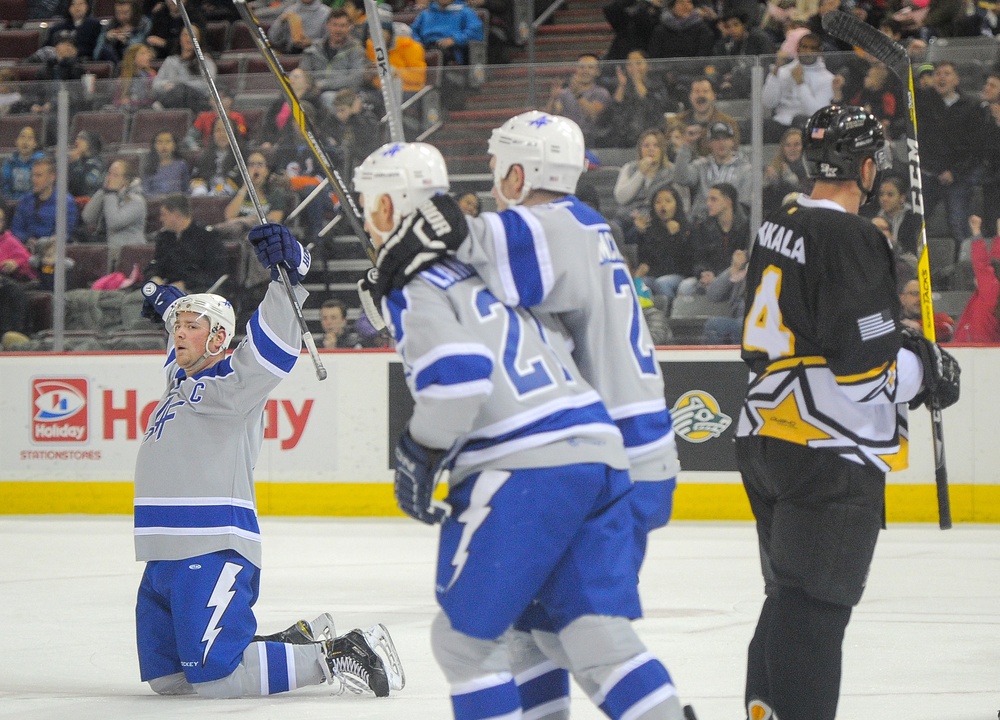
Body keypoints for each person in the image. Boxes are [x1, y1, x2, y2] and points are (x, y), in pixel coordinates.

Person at [354, 139, 691, 720]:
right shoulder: (505, 268)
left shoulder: (425, 276)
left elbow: (458, 381)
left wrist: (418, 450)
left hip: (526, 465)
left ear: (385, 210)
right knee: (578, 635)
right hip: (603, 451)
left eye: (368, 204)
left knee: (461, 643)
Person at [736, 104, 960, 720]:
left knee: (787, 598)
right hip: (826, 451)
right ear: (866, 166)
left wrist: (900, 348)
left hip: (764, 435)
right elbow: (865, 378)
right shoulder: (854, 236)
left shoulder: (777, 221)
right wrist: (926, 372)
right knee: (814, 610)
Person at [134, 223, 403, 700]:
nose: (178, 333)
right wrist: (174, 306)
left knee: (217, 679)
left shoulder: (234, 386)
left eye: (191, 327)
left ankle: (345, 651)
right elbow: (182, 346)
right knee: (168, 680)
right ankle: (292, 642)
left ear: (219, 339)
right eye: (176, 327)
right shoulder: (179, 380)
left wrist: (288, 277)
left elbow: (272, 348)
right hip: (162, 554)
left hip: (210, 547)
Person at [915, 61, 984, 255]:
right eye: (937, 74)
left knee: (957, 223)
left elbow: (975, 147)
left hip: (959, 177)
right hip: (929, 174)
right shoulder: (924, 102)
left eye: (947, 73)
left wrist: (954, 171)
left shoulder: (971, 107)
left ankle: (965, 268)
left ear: (956, 79)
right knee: (916, 222)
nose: (941, 78)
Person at [144, 193, 226, 294]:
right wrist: (154, 277)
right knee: (129, 298)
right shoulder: (165, 237)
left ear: (177, 215)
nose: (161, 219)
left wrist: (186, 284)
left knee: (137, 301)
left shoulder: (207, 236)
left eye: (164, 214)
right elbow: (156, 263)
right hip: (166, 288)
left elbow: (215, 272)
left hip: (196, 291)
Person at [761, 32, 835, 143]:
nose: (807, 52)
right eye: (804, 47)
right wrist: (775, 73)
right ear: (798, 49)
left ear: (819, 51)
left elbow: (816, 113)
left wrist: (800, 84)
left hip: (808, 127)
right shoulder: (784, 71)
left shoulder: (827, 78)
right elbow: (768, 102)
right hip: (781, 124)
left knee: (805, 125)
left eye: (812, 48)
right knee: (754, 126)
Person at [672, 120, 752, 221]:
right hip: (701, 223)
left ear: (732, 142)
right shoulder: (701, 165)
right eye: (716, 139)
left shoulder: (745, 169)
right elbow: (680, 178)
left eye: (725, 138)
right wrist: (687, 145)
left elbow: (744, 205)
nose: (721, 143)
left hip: (731, 224)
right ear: (709, 143)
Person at [682, 181, 750, 295]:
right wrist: (703, 273)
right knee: (686, 287)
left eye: (713, 199)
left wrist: (718, 276)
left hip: (736, 277)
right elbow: (697, 258)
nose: (708, 203)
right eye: (708, 199)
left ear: (728, 202)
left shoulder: (746, 227)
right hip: (709, 277)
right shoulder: (702, 226)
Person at [299, 9, 369, 114]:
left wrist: (323, 85)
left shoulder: (356, 49)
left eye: (343, 26)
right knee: (288, 98)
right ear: (328, 25)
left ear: (350, 27)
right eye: (335, 25)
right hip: (314, 94)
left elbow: (356, 78)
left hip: (345, 94)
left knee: (327, 98)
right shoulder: (314, 49)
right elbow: (304, 73)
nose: (338, 30)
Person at [81, 159, 147, 269]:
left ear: (126, 180)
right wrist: (103, 191)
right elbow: (87, 217)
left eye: (115, 175)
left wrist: (111, 193)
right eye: (109, 174)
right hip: (106, 251)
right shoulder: (107, 195)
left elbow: (114, 222)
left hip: (127, 255)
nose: (110, 178)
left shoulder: (137, 201)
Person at [613, 128, 676, 241]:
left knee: (641, 233)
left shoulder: (671, 172)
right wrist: (640, 173)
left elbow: (680, 202)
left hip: (654, 221)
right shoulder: (629, 168)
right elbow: (621, 198)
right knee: (612, 230)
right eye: (646, 146)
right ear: (640, 150)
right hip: (626, 218)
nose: (650, 149)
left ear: (662, 150)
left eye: (656, 145)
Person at [607, 50, 679, 149]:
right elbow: (614, 108)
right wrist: (622, 85)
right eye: (630, 64)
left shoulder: (657, 85)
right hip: (625, 139)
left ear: (648, 65)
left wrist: (637, 82)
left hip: (651, 137)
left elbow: (654, 106)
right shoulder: (622, 87)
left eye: (638, 63)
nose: (634, 68)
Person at [634, 183, 694, 301]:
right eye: (658, 202)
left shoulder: (687, 228)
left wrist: (675, 236)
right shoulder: (651, 229)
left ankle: (669, 314)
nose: (663, 206)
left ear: (677, 204)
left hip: (680, 275)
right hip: (656, 274)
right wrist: (641, 234)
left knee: (662, 282)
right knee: (641, 281)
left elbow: (686, 262)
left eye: (668, 201)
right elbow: (645, 259)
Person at [10, 157, 79, 251]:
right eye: (33, 175)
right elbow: (16, 229)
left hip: (54, 253)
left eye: (38, 176)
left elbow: (65, 233)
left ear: (52, 177)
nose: (33, 179)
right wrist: (27, 239)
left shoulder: (66, 202)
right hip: (26, 251)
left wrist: (48, 242)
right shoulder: (25, 200)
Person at [217, 151, 289, 238]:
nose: (255, 168)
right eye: (251, 165)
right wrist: (245, 187)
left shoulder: (275, 193)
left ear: (266, 171)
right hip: (239, 234)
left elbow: (274, 221)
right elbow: (229, 216)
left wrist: (244, 221)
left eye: (259, 165)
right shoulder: (239, 192)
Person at [544, 53, 611, 146]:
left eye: (590, 67)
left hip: (591, 142)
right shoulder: (564, 93)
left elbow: (594, 115)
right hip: (567, 139)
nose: (585, 71)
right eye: (582, 67)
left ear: (597, 72)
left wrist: (578, 95)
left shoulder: (601, 93)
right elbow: (550, 116)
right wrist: (553, 98)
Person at [152, 26, 217, 112]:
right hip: (172, 99)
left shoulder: (206, 62)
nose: (188, 38)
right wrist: (165, 84)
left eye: (193, 35)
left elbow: (208, 85)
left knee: (182, 88)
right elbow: (156, 84)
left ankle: (162, 105)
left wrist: (179, 85)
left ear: (199, 40)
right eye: (185, 35)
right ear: (180, 38)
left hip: (196, 101)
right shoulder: (170, 61)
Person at [674, 76, 740, 157]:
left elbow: (732, 153)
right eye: (697, 91)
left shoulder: (728, 123)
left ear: (713, 96)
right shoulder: (677, 122)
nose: (701, 95)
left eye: (705, 91)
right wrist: (684, 142)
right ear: (690, 97)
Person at [953, 233, 1000, 342]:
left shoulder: (991, 292)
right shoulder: (992, 293)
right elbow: (996, 263)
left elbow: (981, 264)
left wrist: (976, 234)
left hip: (976, 348)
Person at [410, 0, 484, 66]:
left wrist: (454, 39)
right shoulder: (425, 14)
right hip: (426, 47)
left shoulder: (465, 12)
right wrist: (417, 42)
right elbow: (413, 31)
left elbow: (475, 32)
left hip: (451, 51)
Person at [0, 206, 36, 338]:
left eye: (1, 220)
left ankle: (15, 334)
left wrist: (15, 263)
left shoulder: (10, 241)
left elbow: (27, 262)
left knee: (13, 289)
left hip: (7, 281)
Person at [702, 247, 747, 344]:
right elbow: (713, 295)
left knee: (741, 325)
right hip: (738, 318)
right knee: (713, 325)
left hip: (762, 320)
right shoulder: (742, 269)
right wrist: (734, 268)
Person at [761, 126, 810, 216]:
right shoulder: (776, 167)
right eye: (788, 145)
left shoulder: (809, 170)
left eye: (797, 144)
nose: (792, 149)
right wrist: (770, 181)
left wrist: (790, 178)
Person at [189, 117, 242, 198]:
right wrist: (199, 188)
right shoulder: (204, 156)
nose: (222, 134)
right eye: (218, 130)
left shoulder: (241, 156)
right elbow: (197, 177)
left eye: (226, 130)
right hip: (207, 192)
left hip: (231, 194)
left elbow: (237, 180)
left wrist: (217, 191)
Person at [647, 0, 715, 60]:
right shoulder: (660, 31)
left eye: (689, 2)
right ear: (671, 7)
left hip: (694, 73)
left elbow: (704, 55)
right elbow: (655, 56)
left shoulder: (703, 30)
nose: (685, 6)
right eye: (680, 2)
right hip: (667, 72)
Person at [899, 277, 955, 342]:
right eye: (915, 294)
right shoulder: (893, 320)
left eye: (925, 294)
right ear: (903, 299)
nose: (920, 299)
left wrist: (919, 327)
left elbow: (948, 329)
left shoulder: (939, 318)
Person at [1, 126, 45, 206]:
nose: (25, 142)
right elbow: (4, 186)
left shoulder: (41, 162)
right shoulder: (9, 162)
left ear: (35, 143)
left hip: (35, 204)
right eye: (22, 137)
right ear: (16, 141)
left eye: (29, 138)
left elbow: (41, 189)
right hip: (11, 204)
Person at [267, 0, 332, 54]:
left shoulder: (327, 13)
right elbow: (273, 40)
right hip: (290, 54)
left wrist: (311, 42)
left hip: (317, 55)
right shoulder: (289, 11)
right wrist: (281, 22)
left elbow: (331, 42)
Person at [141, 131, 191, 196]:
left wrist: (180, 195)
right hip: (155, 203)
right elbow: (146, 191)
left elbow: (186, 189)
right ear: (154, 146)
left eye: (168, 141)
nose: (164, 146)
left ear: (174, 145)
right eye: (160, 142)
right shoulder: (149, 166)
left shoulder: (181, 164)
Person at [112, 43, 158, 111]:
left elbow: (153, 98)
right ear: (133, 58)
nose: (148, 56)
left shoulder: (152, 75)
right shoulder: (123, 78)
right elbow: (115, 101)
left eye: (148, 53)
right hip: (127, 112)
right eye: (143, 53)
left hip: (146, 112)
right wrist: (122, 102)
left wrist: (133, 102)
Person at [67, 130, 106, 199]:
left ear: (90, 143)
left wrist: (74, 163)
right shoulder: (77, 159)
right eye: (77, 138)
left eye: (82, 138)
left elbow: (83, 188)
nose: (77, 141)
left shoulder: (98, 164)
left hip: (88, 202)